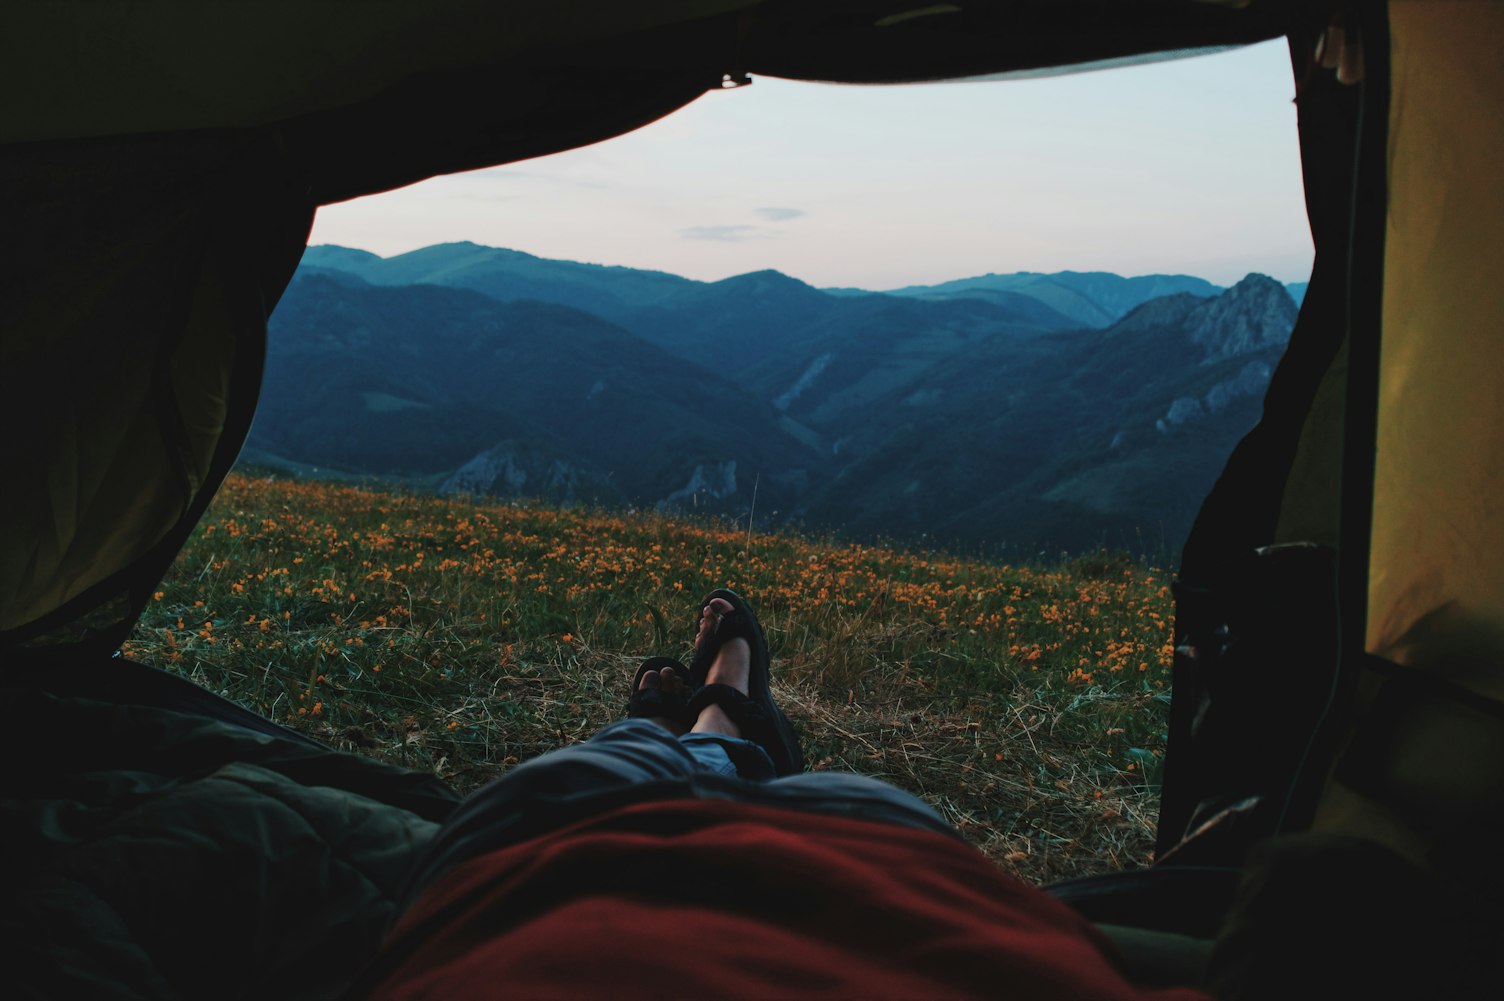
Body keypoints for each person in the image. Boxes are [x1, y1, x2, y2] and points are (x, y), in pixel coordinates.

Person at [354, 590, 1212, 1000]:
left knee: (602, 765)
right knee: (620, 774)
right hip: (893, 877)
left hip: (532, 881)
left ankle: (702, 731)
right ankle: (723, 727)